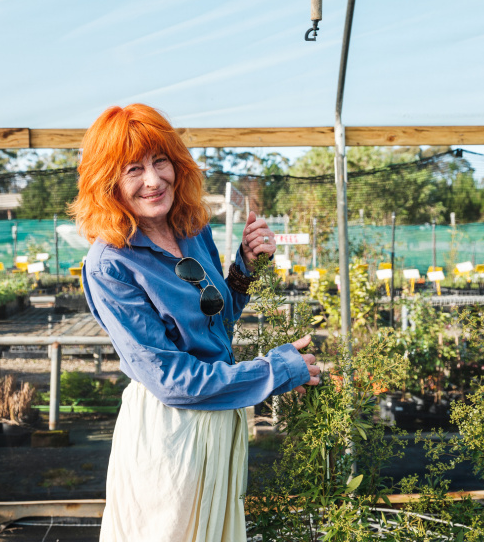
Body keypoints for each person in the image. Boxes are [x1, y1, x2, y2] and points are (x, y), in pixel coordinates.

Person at [71, 104, 320, 542]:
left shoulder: (192, 228)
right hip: (170, 433)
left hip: (220, 416)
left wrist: (244, 267)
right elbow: (170, 379)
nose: (154, 180)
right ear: (107, 182)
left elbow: (215, 324)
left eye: (160, 161)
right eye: (133, 169)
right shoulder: (110, 264)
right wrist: (274, 372)